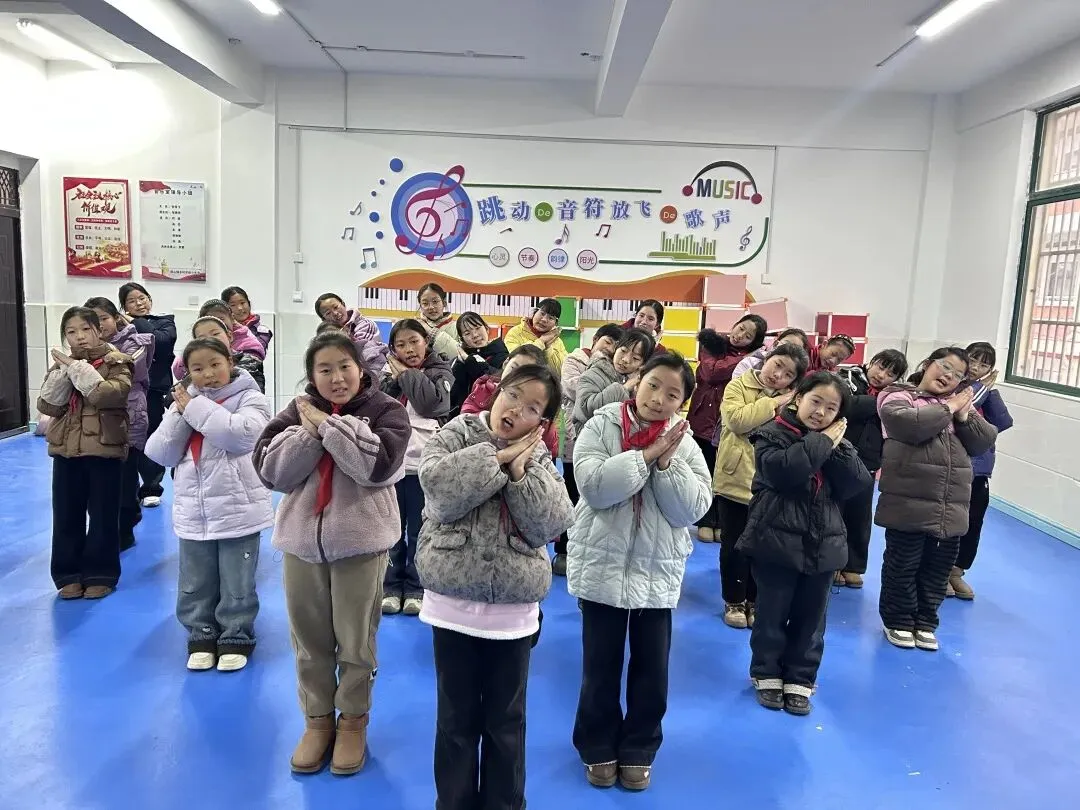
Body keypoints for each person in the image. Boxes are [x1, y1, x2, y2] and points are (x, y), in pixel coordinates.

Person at [416, 365, 574, 810]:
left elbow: (552, 524)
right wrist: (497, 460)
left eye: (533, 408)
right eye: (514, 395)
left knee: (507, 721)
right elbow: (438, 491)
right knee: (455, 718)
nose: (516, 410)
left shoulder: (539, 457)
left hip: (512, 614)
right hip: (452, 605)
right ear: (497, 391)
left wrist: (521, 473)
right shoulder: (458, 432)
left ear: (542, 421)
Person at [253, 332, 411, 775]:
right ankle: (317, 720)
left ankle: (353, 720)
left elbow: (374, 467)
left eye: (345, 366)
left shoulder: (387, 411)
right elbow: (271, 472)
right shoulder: (296, 410)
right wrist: (307, 433)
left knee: (356, 640)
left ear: (361, 368)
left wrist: (326, 426)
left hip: (361, 545)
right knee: (308, 641)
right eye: (325, 369)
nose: (337, 377)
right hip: (301, 544)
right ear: (311, 375)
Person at [568, 353, 712, 792]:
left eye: (672, 394)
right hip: (603, 563)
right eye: (653, 385)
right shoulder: (602, 425)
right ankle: (597, 743)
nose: (658, 398)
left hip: (658, 570)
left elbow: (693, 508)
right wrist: (647, 455)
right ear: (636, 382)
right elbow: (594, 488)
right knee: (600, 666)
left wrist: (667, 464)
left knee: (653, 669)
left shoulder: (685, 442)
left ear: (682, 402)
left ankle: (640, 747)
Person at [739, 372, 871, 715]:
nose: (820, 412)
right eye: (816, 401)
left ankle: (801, 677)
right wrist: (822, 442)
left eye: (831, 408)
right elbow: (784, 471)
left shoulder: (836, 441)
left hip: (823, 542)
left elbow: (858, 482)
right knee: (772, 612)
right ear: (798, 398)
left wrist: (836, 445)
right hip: (775, 540)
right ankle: (766, 671)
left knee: (812, 618)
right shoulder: (772, 433)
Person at [144, 338, 274, 672]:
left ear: (230, 362)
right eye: (198, 368)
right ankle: (200, 633)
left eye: (215, 364)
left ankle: (236, 635)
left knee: (237, 580)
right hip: (194, 508)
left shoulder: (251, 398)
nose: (209, 374)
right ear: (187, 373)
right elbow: (160, 452)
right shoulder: (184, 401)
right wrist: (180, 411)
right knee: (195, 580)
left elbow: (240, 436)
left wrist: (195, 407)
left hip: (238, 507)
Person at [876, 347, 997, 651]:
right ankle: (898, 620)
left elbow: (984, 440)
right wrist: (951, 406)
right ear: (928, 364)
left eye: (957, 375)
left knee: (937, 568)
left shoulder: (959, 407)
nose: (948, 376)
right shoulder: (898, 395)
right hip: (908, 503)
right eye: (944, 366)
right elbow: (910, 425)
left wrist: (965, 415)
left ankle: (925, 622)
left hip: (950, 506)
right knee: (904, 564)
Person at [38, 307, 133, 600]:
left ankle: (101, 574)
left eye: (85, 329)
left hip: (104, 448)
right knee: (66, 514)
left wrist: (79, 370)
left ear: (98, 330)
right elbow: (47, 407)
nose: (79, 337)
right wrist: (62, 373)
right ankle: (67, 574)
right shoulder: (61, 364)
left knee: (104, 515)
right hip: (66, 450)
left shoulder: (117, 361)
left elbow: (110, 395)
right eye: (71, 331)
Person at [713, 343, 808, 629]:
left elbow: (789, 434)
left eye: (788, 374)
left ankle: (755, 600)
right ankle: (734, 600)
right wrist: (775, 403)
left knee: (764, 547)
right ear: (767, 359)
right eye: (777, 365)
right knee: (734, 544)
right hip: (734, 479)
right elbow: (737, 421)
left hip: (770, 482)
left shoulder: (795, 401)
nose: (778, 375)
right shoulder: (738, 385)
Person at [380, 319, 453, 616]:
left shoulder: (441, 371)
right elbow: (379, 408)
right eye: (401, 345)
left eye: (414, 341)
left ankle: (416, 587)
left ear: (426, 342)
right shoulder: (385, 375)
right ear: (393, 349)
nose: (409, 349)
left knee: (421, 530)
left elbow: (430, 405)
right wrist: (395, 376)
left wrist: (406, 374)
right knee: (392, 530)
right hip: (392, 467)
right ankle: (390, 585)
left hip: (425, 468)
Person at [687, 316, 768, 543]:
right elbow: (711, 372)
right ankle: (704, 520)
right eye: (740, 328)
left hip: (728, 423)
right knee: (703, 470)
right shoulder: (712, 344)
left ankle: (721, 522)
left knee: (723, 472)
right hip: (702, 418)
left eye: (748, 336)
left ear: (753, 342)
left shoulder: (755, 362)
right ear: (734, 325)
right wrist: (747, 359)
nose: (740, 336)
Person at [834, 349, 909, 588]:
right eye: (880, 366)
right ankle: (833, 563)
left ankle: (853, 566)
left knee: (860, 516)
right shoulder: (847, 377)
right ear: (872, 362)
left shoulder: (895, 396)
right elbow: (848, 406)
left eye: (890, 374)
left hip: (868, 463)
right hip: (837, 459)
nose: (882, 375)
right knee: (833, 513)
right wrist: (883, 400)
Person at [555, 323, 625, 576]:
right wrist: (611, 383)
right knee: (571, 494)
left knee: (596, 498)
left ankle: (588, 552)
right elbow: (575, 389)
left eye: (616, 345)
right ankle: (564, 550)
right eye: (607, 341)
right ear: (595, 339)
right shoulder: (575, 359)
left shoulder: (621, 369)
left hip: (604, 443)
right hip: (573, 437)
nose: (611, 348)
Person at [85, 297, 154, 551]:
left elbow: (128, 369)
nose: (100, 325)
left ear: (116, 318)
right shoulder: (86, 347)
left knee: (125, 476)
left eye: (104, 318)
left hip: (129, 417)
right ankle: (104, 528)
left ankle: (125, 527)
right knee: (99, 479)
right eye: (93, 321)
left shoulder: (136, 342)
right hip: (97, 421)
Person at [949, 342, 1013, 600]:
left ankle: (957, 571)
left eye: (984, 364)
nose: (976, 368)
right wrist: (982, 387)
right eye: (973, 360)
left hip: (980, 471)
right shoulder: (953, 386)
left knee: (973, 522)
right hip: (955, 467)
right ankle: (940, 571)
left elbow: (1004, 422)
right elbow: (961, 407)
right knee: (950, 521)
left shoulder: (987, 392)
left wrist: (991, 391)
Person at [119, 282, 176, 509]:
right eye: (131, 301)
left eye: (142, 298)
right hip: (126, 390)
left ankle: (152, 488)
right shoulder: (119, 327)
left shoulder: (165, 322)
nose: (138, 303)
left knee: (151, 435)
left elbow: (160, 341)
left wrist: (134, 322)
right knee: (127, 438)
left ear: (150, 300)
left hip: (153, 390)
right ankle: (128, 488)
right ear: (124, 306)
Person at [462, 344, 559, 459]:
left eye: (532, 409)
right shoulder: (480, 392)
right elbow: (467, 423)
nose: (517, 377)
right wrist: (501, 455)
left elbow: (550, 455)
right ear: (505, 363)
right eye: (514, 368)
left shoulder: (542, 425)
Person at [571, 328, 656, 434]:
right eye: (623, 351)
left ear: (642, 364)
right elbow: (585, 410)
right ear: (616, 347)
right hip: (592, 437)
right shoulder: (595, 372)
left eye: (635, 358)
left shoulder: (642, 383)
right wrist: (624, 388)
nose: (625, 360)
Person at [174, 316, 267, 393]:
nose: (208, 374)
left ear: (229, 336)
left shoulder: (249, 362)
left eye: (215, 334)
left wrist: (193, 405)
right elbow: (173, 397)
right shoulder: (191, 377)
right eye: (202, 338)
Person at [315, 292, 390, 376]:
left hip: (374, 372)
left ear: (343, 304)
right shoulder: (328, 333)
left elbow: (357, 352)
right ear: (324, 319)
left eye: (336, 307)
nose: (335, 313)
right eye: (328, 313)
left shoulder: (365, 324)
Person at [449, 311, 508, 416]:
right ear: (462, 339)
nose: (475, 335)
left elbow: (497, 381)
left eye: (477, 328)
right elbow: (453, 397)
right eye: (467, 333)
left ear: (486, 328)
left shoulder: (502, 354)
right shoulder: (459, 360)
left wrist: (471, 361)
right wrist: (460, 364)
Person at [503, 298, 567, 372]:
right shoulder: (515, 332)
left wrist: (548, 348)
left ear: (555, 323)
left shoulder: (557, 341)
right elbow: (518, 361)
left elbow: (562, 371)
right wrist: (541, 341)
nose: (544, 320)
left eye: (550, 318)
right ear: (534, 313)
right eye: (542, 314)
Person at [732, 328, 810, 379]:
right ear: (776, 343)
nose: (789, 351)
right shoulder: (749, 363)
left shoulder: (794, 379)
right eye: (786, 344)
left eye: (796, 349)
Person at [222, 285, 274, 352]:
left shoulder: (262, 331)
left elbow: (255, 351)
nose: (240, 308)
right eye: (233, 305)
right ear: (225, 309)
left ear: (249, 304)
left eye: (242, 303)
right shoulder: (221, 330)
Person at [416, 282, 460, 360]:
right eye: (425, 303)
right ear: (421, 306)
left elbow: (459, 355)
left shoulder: (458, 327)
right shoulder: (414, 327)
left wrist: (430, 331)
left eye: (435, 301)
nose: (431, 307)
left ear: (444, 303)